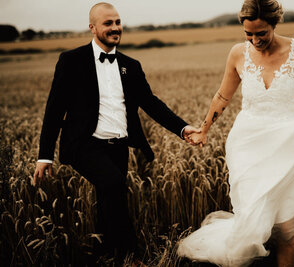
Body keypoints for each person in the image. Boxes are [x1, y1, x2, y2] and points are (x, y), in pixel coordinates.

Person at [178, 0, 294, 266]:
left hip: (288, 144)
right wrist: (204, 130)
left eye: (261, 33)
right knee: (252, 221)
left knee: (286, 228)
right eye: (248, 34)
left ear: (274, 25)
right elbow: (223, 96)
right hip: (247, 146)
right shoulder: (237, 54)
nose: (254, 40)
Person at [33, 2, 199, 265]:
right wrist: (45, 155)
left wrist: (182, 127)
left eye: (118, 22)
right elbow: (54, 109)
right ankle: (129, 256)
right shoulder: (71, 61)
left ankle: (104, 251)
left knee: (108, 194)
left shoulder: (130, 65)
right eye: (108, 23)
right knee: (114, 184)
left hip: (118, 145)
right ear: (93, 27)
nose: (115, 28)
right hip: (84, 145)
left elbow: (151, 103)